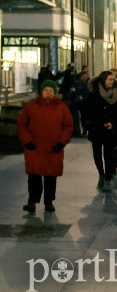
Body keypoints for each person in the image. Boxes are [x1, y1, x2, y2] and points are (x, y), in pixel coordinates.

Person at [17, 80, 73, 213]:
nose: (48, 93)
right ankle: (32, 201)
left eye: (51, 91)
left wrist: (61, 142)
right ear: (41, 92)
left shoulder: (62, 107)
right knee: (34, 177)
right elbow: (22, 125)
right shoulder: (31, 106)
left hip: (53, 149)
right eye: (46, 90)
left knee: (50, 177)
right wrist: (27, 141)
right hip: (34, 148)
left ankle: (49, 202)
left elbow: (68, 126)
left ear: (55, 93)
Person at [86, 71, 117, 191]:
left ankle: (108, 178)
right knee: (97, 154)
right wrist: (97, 123)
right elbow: (89, 112)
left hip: (110, 130)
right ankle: (101, 174)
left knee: (108, 155)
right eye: (109, 79)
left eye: (112, 80)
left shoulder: (116, 94)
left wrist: (112, 123)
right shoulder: (94, 94)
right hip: (96, 128)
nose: (111, 82)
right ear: (103, 80)